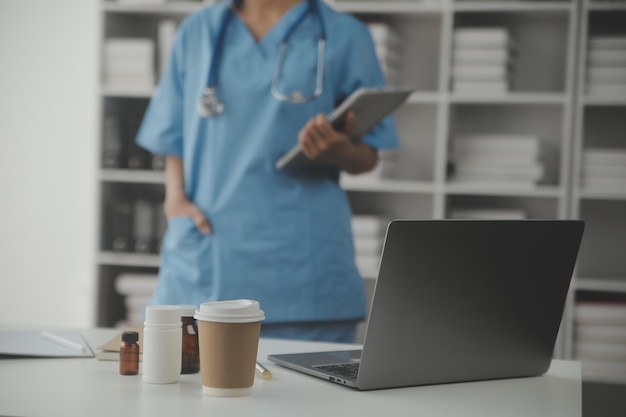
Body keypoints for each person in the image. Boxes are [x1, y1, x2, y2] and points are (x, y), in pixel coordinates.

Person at [135, 0, 399, 343]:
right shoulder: (198, 30)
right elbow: (173, 135)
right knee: (185, 388)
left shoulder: (346, 35)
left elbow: (367, 157)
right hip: (210, 254)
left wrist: (339, 150)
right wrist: (175, 199)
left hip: (304, 266)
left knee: (314, 394)